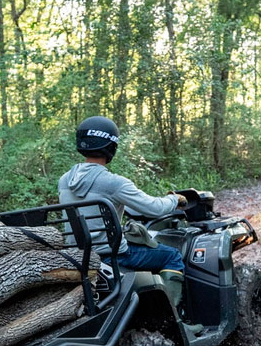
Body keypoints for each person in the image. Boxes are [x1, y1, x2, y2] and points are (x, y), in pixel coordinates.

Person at [59, 116, 201, 332]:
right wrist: (175, 200)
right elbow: (154, 208)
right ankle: (176, 323)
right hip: (112, 254)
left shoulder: (64, 180)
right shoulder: (114, 182)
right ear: (111, 146)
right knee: (171, 256)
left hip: (80, 254)